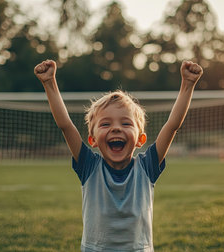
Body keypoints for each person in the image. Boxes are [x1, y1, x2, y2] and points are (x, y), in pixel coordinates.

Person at [34, 59, 203, 251]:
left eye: (126, 123)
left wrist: (188, 85)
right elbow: (65, 125)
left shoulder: (147, 166)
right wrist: (49, 82)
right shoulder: (89, 166)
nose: (115, 128)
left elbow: (172, 125)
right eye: (105, 124)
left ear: (140, 139)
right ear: (93, 140)